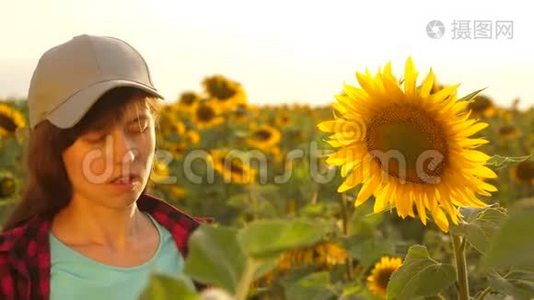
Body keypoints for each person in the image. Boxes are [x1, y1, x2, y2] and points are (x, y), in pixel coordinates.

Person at [0, 34, 205, 300]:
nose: (126, 154)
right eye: (97, 136)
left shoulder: (204, 251)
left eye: (139, 127)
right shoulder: (13, 270)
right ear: (52, 148)